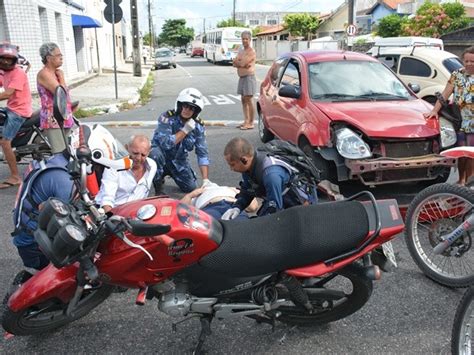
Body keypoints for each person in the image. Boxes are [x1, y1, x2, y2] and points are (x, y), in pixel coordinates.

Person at [11, 124, 128, 271]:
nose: (101, 172)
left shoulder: (60, 161)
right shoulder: (64, 180)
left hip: (28, 233)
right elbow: (70, 223)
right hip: (34, 245)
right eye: (100, 167)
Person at [222, 137, 317, 220]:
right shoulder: (249, 167)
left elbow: (275, 211)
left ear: (244, 159)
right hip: (280, 198)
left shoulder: (271, 175)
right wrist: (237, 207)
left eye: (232, 165)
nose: (231, 169)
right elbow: (248, 191)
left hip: (300, 203)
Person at [425, 46, 474, 185]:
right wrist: (434, 110)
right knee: (461, 153)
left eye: (472, 61)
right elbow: (445, 94)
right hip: (459, 120)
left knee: (471, 153)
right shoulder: (457, 75)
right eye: (466, 61)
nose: (469, 64)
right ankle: (461, 179)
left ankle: (469, 182)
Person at [150, 87, 210, 194]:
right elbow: (166, 144)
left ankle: (172, 174)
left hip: (178, 161)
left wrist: (205, 180)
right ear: (180, 105)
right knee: (154, 154)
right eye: (185, 106)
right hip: (162, 157)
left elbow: (202, 153)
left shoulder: (198, 126)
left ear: (196, 111)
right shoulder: (166, 118)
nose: (187, 110)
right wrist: (185, 130)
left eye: (192, 108)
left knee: (191, 188)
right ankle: (158, 185)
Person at [95, 135, 157, 212]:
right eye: (135, 153)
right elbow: (107, 201)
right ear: (126, 148)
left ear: (148, 153)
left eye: (143, 155)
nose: (138, 158)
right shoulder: (114, 166)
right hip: (111, 212)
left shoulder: (152, 166)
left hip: (134, 214)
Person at [0, 42, 32, 189]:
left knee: (5, 143)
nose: (6, 62)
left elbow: (7, 93)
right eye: (3, 59)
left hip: (19, 111)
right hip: (12, 107)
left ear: (14, 60)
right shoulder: (5, 72)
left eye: (9, 59)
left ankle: (15, 177)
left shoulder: (18, 73)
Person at [37, 42, 75, 154]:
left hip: (63, 115)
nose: (61, 58)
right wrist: (62, 77)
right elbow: (60, 94)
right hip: (53, 119)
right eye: (58, 55)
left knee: (68, 151)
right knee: (60, 153)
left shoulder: (55, 73)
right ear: (48, 58)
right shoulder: (44, 74)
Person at [181, 181, 259, 220]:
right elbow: (179, 208)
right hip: (211, 207)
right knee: (212, 231)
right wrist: (191, 195)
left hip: (234, 206)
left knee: (243, 227)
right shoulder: (198, 194)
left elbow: (253, 207)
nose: (209, 183)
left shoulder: (230, 188)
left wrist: (243, 191)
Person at [232, 30, 256, 130]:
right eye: (243, 39)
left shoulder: (251, 51)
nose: (244, 40)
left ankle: (251, 122)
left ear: (250, 40)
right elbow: (234, 62)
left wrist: (239, 62)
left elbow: (241, 63)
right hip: (241, 77)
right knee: (243, 99)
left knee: (249, 99)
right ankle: (245, 121)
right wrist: (239, 62)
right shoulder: (241, 51)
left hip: (249, 77)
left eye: (246, 39)